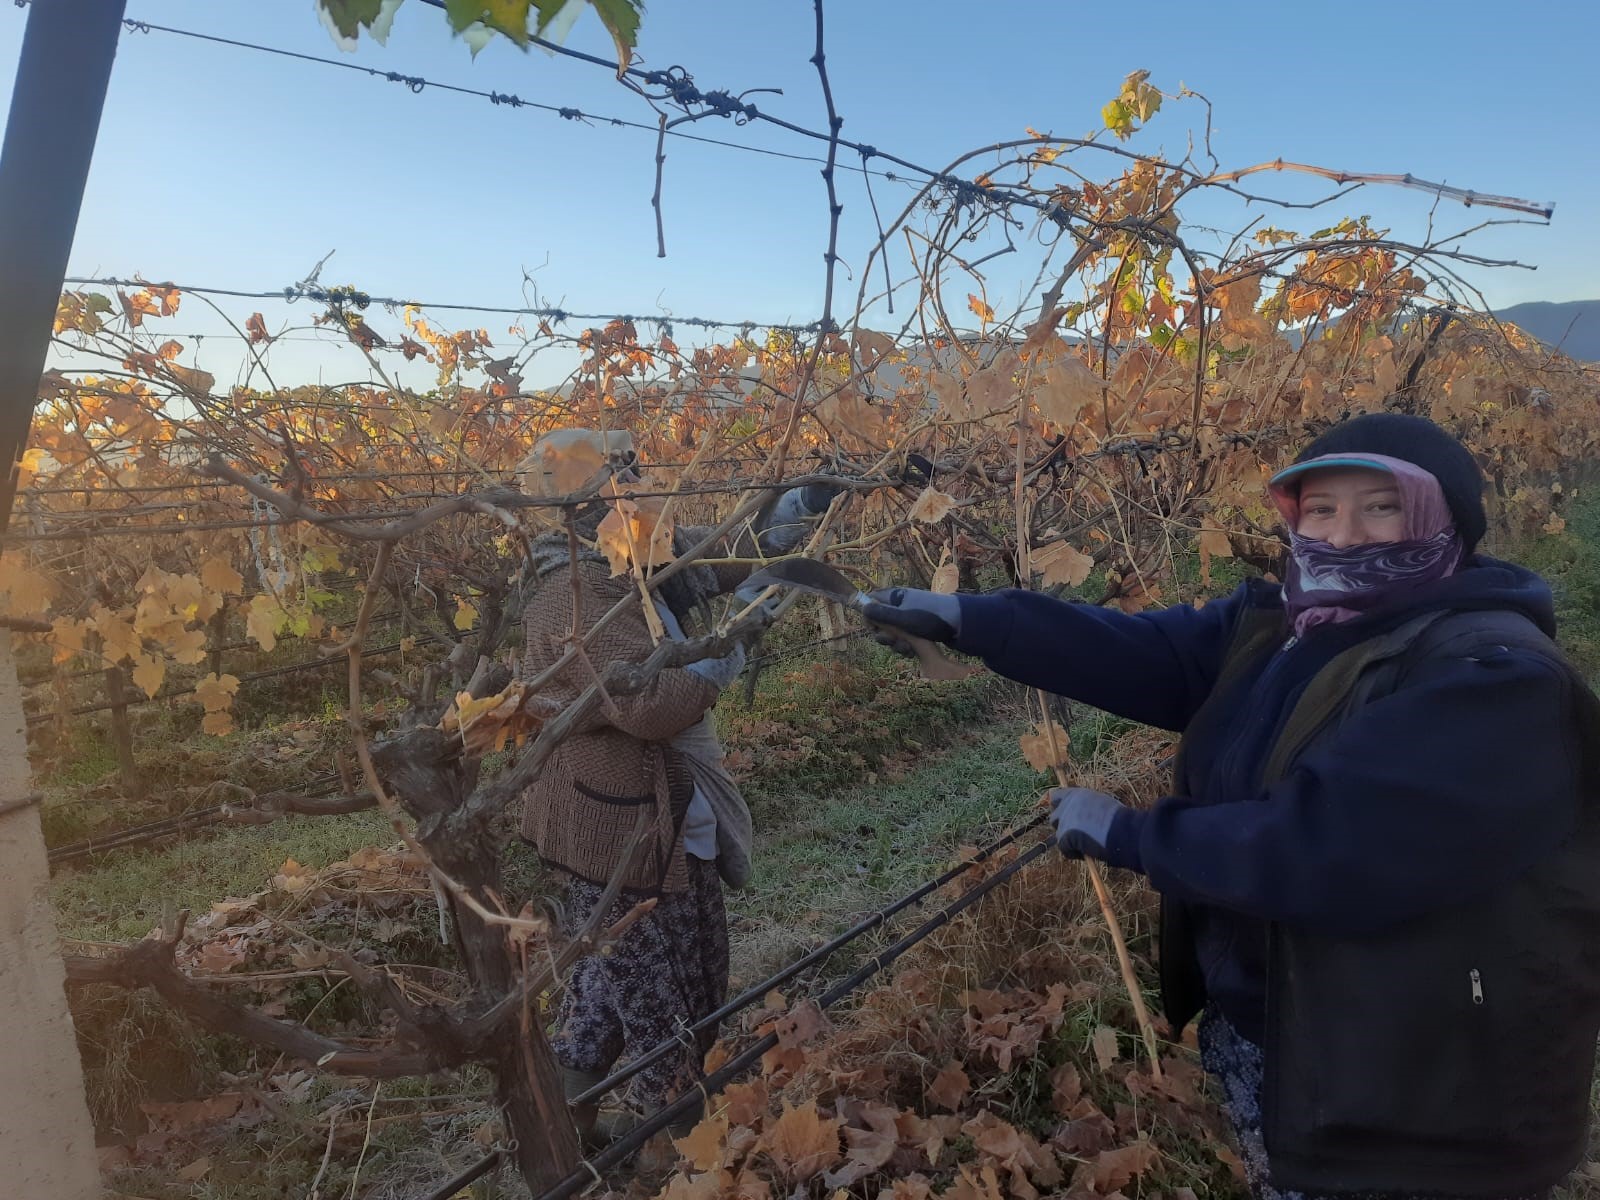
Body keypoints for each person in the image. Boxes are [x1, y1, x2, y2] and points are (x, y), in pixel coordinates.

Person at [863, 413, 1600, 1199]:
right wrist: (972, 620)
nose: (1344, 535)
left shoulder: (1494, 678)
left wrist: (1130, 833)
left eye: (1381, 507)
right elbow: (1154, 654)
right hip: (1288, 1031)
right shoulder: (1296, 622)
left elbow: (1324, 848)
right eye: (1321, 508)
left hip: (1416, 1090)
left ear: (1445, 520)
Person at [516, 428, 842, 1143]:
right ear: (587, 499)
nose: (644, 489)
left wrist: (806, 498)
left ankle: (569, 1123)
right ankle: (676, 1147)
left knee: (614, 984)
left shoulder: (634, 555)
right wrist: (739, 633)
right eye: (626, 479)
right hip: (622, 836)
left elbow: (734, 553)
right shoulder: (571, 595)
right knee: (666, 1002)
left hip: (660, 820)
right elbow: (655, 706)